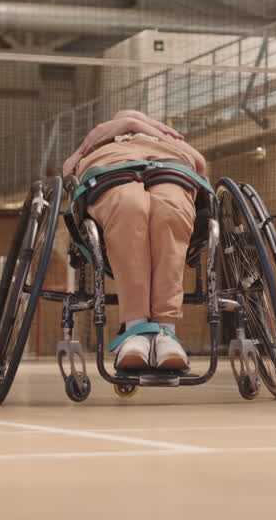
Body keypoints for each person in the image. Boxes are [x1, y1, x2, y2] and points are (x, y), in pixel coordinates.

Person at [62, 110, 208, 372]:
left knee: (169, 212)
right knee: (130, 208)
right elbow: (67, 173)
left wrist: (145, 128)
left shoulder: (167, 138)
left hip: (168, 163)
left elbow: (198, 164)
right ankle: (137, 329)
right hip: (111, 165)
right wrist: (127, 126)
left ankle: (164, 331)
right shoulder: (99, 140)